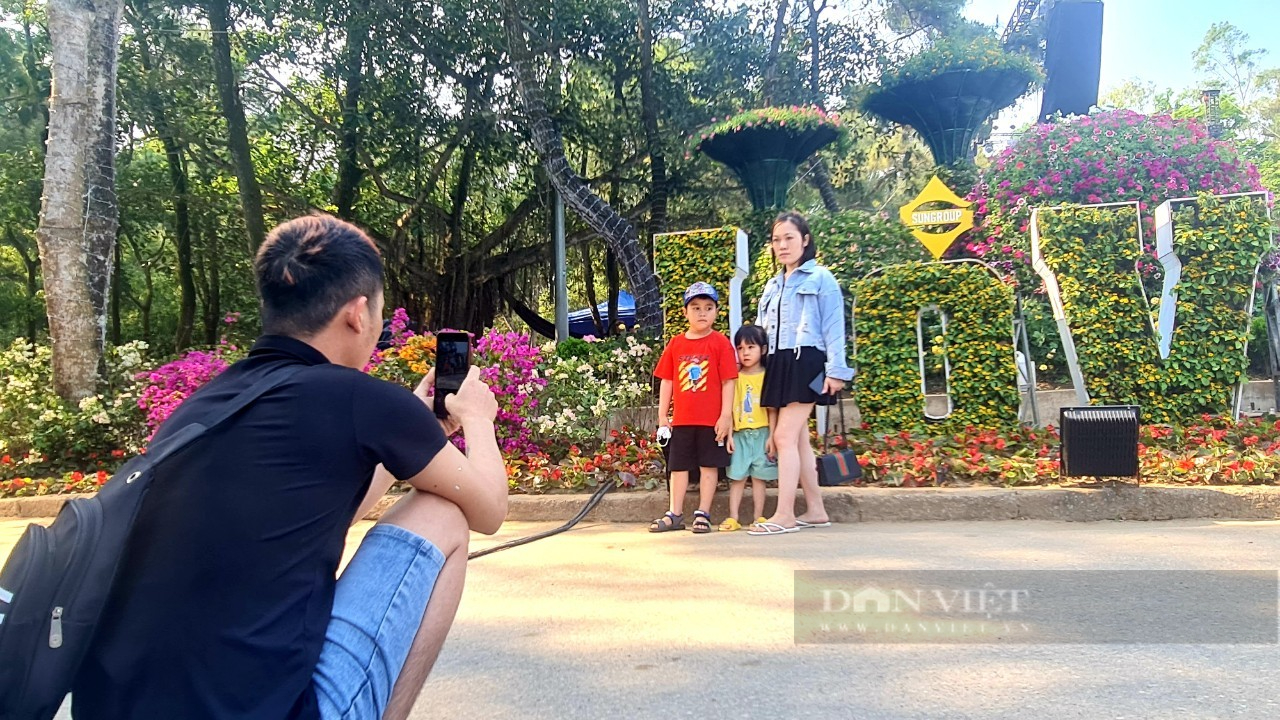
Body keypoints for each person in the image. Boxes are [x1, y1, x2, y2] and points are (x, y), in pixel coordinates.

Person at [73, 214, 509, 720]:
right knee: (443, 513)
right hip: (276, 711)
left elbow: (316, 514)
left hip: (121, 706)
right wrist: (478, 419)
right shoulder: (358, 398)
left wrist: (417, 431)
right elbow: (490, 509)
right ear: (357, 313)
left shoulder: (203, 406)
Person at [750, 211, 852, 536]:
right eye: (777, 240)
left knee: (783, 438)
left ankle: (784, 514)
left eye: (789, 238)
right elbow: (764, 330)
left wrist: (836, 372)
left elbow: (835, 327)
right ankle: (816, 509)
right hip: (779, 362)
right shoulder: (772, 285)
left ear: (805, 240)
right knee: (798, 441)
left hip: (807, 360)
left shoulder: (821, 278)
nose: (782, 245)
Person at [650, 282, 737, 534]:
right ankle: (675, 514)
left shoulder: (721, 343)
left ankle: (703, 513)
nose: (702, 313)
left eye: (708, 308)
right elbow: (667, 380)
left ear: (716, 312)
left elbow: (728, 382)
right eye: (696, 307)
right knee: (677, 467)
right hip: (682, 421)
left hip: (711, 421)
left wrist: (725, 416)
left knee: (709, 466)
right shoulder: (676, 344)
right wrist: (662, 415)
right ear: (685, 312)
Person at [719, 324, 778, 532]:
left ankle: (758, 517)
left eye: (750, 347)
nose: (745, 353)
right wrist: (731, 435)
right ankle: (733, 517)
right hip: (740, 434)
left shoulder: (768, 377)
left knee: (759, 478)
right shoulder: (735, 377)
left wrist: (772, 436)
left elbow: (772, 409)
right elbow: (731, 407)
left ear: (762, 350)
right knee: (737, 477)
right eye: (740, 348)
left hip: (762, 433)